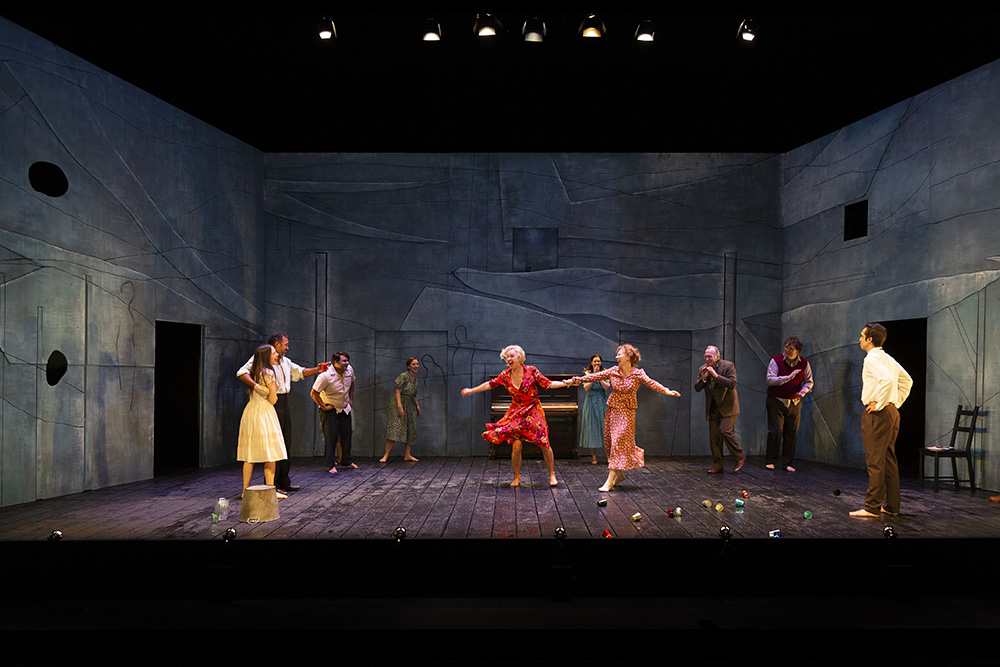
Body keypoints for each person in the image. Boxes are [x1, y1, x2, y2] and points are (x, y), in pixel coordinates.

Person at [571, 345, 680, 491]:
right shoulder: (613, 371)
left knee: (617, 441)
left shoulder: (638, 374)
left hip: (627, 412)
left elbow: (651, 383)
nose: (616, 357)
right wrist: (576, 380)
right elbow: (594, 376)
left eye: (620, 354)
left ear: (628, 357)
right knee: (611, 442)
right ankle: (620, 475)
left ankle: (610, 480)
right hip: (613, 410)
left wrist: (666, 390)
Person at [461, 345, 573, 487]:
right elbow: (489, 384)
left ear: (520, 357)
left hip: (533, 409)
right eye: (507, 357)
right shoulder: (505, 375)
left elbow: (548, 384)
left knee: (544, 443)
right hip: (516, 412)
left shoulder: (532, 371)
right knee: (516, 447)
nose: (509, 359)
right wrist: (471, 391)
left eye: (511, 356)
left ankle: (552, 474)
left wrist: (566, 383)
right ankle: (517, 477)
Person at [237, 331, 324, 493]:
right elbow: (242, 372)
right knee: (271, 444)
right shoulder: (262, 359)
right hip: (268, 403)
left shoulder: (285, 362)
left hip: (282, 401)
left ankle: (283, 481)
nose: (287, 347)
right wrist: (256, 386)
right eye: (285, 344)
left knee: (285, 442)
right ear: (276, 344)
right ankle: (271, 484)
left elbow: (299, 372)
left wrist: (317, 370)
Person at [850, 323, 913, 518]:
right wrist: (894, 403)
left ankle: (872, 507)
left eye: (862, 336)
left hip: (879, 414)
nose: (859, 338)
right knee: (888, 459)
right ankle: (892, 506)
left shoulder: (872, 358)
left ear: (869, 339)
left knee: (876, 460)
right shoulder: (887, 358)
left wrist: (881, 404)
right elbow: (907, 381)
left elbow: (887, 380)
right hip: (891, 412)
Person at [237, 344, 288, 499]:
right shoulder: (268, 373)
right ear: (266, 356)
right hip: (264, 413)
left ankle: (245, 490)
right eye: (273, 353)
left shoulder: (255, 371)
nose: (277, 355)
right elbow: (273, 400)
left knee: (250, 454)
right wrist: (275, 389)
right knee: (270, 454)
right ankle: (270, 490)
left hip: (251, 410)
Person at [765, 336, 814, 472]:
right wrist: (788, 377)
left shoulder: (804, 363)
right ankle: (770, 460)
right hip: (776, 400)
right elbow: (770, 379)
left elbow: (809, 381)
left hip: (794, 402)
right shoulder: (776, 360)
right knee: (776, 430)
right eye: (786, 346)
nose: (787, 350)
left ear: (797, 351)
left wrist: (803, 391)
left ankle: (787, 463)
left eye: (790, 348)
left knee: (791, 432)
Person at [695, 345, 746, 473]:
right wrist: (704, 378)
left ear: (717, 357)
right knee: (714, 438)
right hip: (713, 408)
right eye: (705, 356)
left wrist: (716, 376)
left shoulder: (728, 366)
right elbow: (697, 387)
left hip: (728, 406)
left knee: (725, 431)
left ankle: (740, 456)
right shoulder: (702, 369)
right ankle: (718, 465)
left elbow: (732, 384)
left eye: (710, 357)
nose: (707, 359)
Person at [311, 351, 356, 474]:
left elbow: (352, 383)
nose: (346, 363)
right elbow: (313, 393)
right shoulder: (325, 376)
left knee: (347, 435)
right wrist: (323, 407)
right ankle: (331, 464)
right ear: (335, 362)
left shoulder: (349, 370)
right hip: (330, 408)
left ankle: (346, 460)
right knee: (331, 437)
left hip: (344, 407)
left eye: (347, 360)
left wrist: (351, 399)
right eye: (344, 361)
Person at [380, 357, 422, 463]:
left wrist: (417, 405)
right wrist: (399, 407)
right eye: (413, 364)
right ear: (408, 366)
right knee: (394, 428)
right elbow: (397, 391)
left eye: (417, 364)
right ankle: (386, 455)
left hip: (409, 404)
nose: (416, 366)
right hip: (399, 403)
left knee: (411, 429)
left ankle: (407, 455)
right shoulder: (403, 376)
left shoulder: (415, 378)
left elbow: (413, 395)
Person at [578, 354, 610, 464]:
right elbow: (586, 388)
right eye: (595, 361)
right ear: (591, 363)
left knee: (605, 429)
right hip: (590, 402)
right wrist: (594, 376)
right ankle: (594, 456)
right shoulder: (587, 374)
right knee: (592, 428)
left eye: (598, 361)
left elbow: (606, 387)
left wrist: (599, 377)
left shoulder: (606, 373)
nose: (597, 363)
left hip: (601, 402)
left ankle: (608, 456)